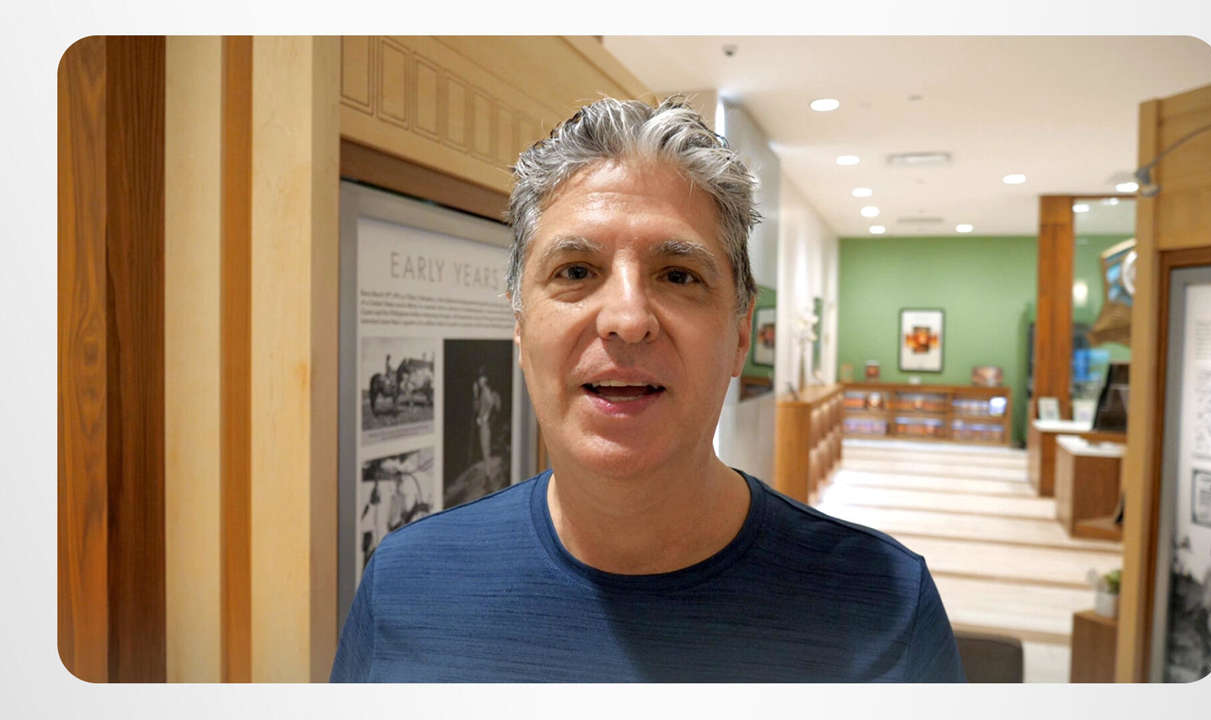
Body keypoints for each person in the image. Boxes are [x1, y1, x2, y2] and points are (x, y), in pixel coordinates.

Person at [330, 96, 965, 682]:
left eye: (678, 275)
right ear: (520, 329)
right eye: (576, 271)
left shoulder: (886, 607)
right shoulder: (405, 584)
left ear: (741, 333)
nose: (628, 319)